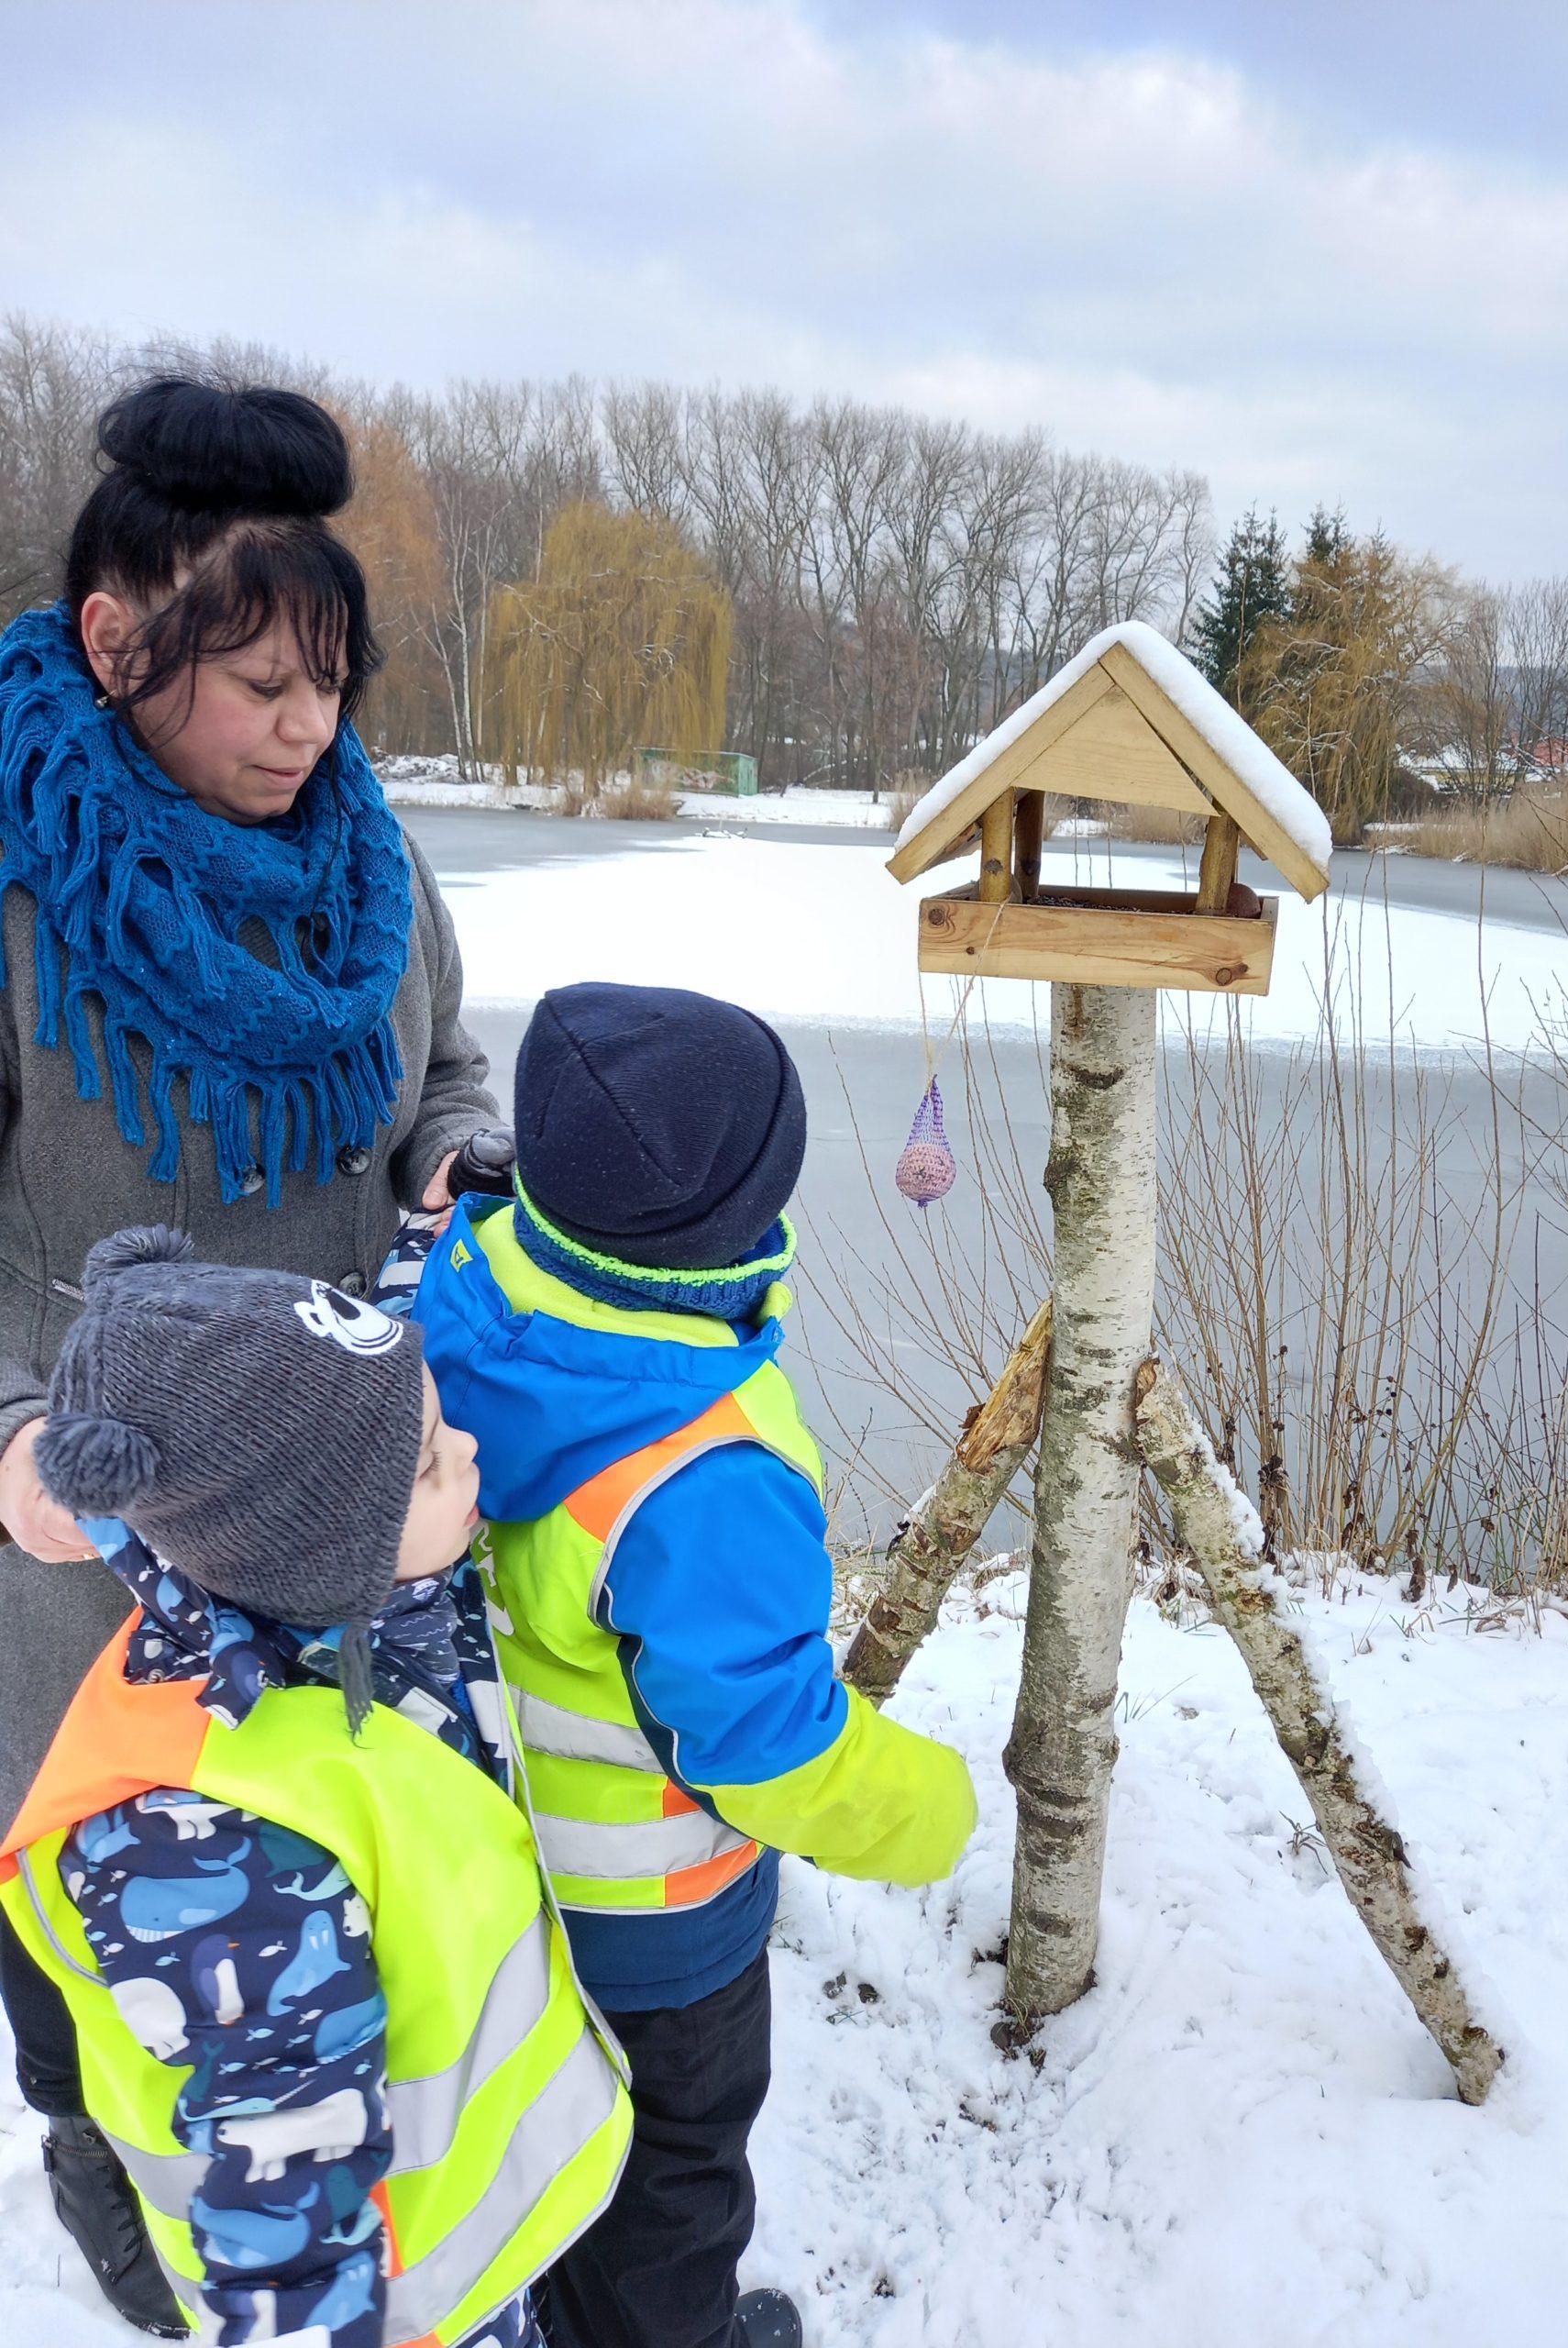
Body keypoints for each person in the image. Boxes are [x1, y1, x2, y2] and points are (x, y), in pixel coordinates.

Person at [0, 376, 498, 2330]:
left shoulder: (367, 857)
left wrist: (459, 1142)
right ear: (118, 643)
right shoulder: (21, 886)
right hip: (80, 1566)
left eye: (334, 682)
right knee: (114, 2040)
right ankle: (155, 2282)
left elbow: (440, 1054)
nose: (307, 729)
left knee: (351, 1973)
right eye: (261, 681)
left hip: (342, 1525)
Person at [411, 981, 978, 2348]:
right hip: (657, 1939)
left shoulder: (473, 1276)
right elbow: (768, 1750)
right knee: (672, 2182)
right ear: (731, 1223)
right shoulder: (702, 1476)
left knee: (539, 2130)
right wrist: (933, 1810)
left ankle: (552, 2302)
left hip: (493, 1876)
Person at [0, 1226, 633, 2345]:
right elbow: (285, 2217)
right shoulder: (210, 1854)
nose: (470, 1452)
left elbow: (331, 1416)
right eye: (433, 1461)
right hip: (410, 2302)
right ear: (329, 1544)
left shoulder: (316, 1586)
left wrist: (430, 1227)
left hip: (482, 2239)